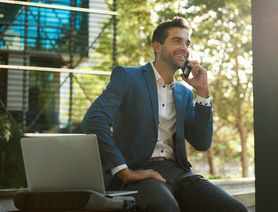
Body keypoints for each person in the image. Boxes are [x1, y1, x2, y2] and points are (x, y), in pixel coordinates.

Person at [82, 17, 247, 212]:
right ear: (157, 46)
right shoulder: (127, 76)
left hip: (178, 171)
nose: (184, 47)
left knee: (234, 209)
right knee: (165, 208)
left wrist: (203, 93)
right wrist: (124, 171)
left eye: (187, 43)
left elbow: (201, 143)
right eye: (177, 41)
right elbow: (94, 119)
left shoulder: (184, 93)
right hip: (139, 170)